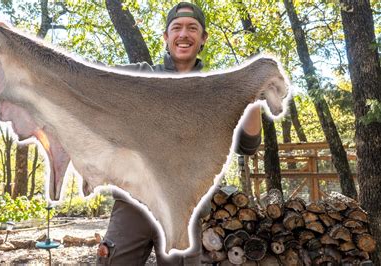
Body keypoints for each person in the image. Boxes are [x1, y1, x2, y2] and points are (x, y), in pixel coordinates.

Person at [96, 2, 262, 265]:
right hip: (133, 205)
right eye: (177, 28)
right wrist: (10, 44)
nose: (184, 34)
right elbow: (84, 74)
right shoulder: (138, 78)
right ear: (166, 37)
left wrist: (253, 96)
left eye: (192, 28)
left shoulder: (218, 94)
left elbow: (248, 145)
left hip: (185, 210)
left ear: (203, 38)